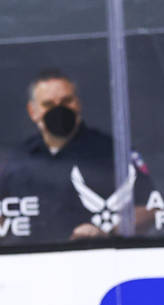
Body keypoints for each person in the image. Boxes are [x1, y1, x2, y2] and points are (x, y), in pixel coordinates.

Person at [0, 68, 153, 243]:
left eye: (66, 101)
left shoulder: (111, 151)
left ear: (78, 104)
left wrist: (108, 232)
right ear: (32, 111)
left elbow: (150, 207)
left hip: (94, 258)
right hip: (28, 261)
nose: (58, 109)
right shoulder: (17, 159)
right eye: (48, 104)